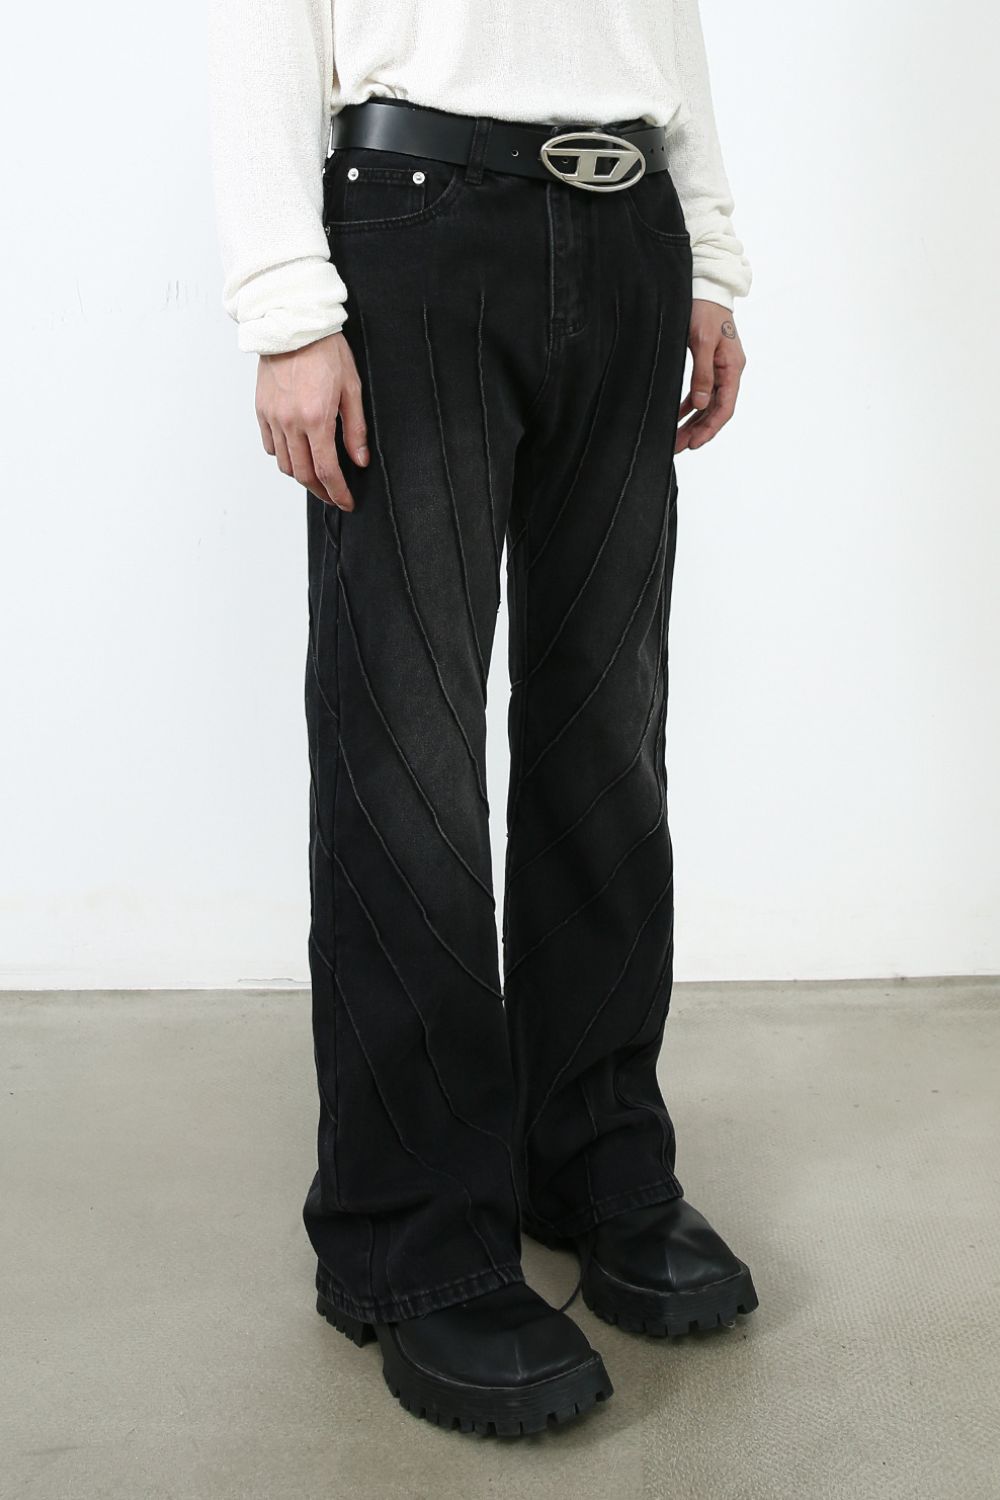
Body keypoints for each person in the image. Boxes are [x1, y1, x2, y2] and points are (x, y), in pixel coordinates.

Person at [208, 0, 759, 1437]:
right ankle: (411, 1237)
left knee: (609, 732)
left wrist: (706, 252)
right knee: (412, 751)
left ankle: (595, 1159)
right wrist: (286, 302)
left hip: (628, 221)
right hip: (414, 220)